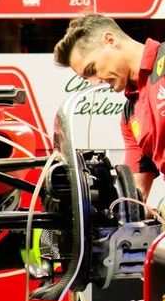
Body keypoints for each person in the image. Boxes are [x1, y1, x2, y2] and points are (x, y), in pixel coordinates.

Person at [53, 12, 163, 199]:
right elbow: (134, 200)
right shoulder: (130, 116)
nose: (96, 82)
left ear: (110, 40)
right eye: (87, 79)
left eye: (92, 69)